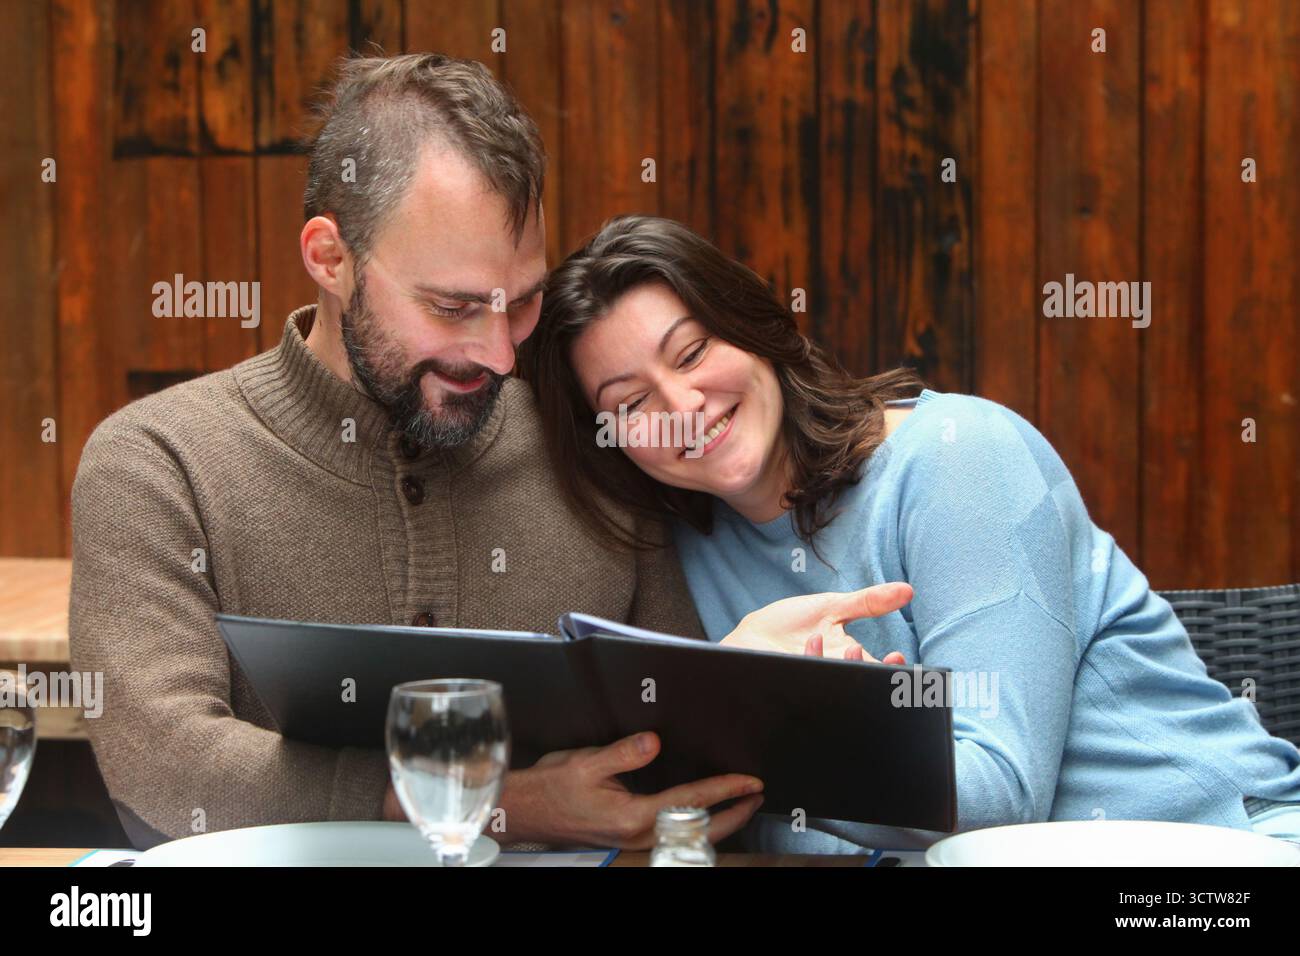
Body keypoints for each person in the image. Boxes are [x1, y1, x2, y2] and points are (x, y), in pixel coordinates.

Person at [69, 54, 901, 851]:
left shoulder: (587, 440)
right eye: (454, 306)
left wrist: (745, 691)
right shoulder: (161, 462)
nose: (502, 355)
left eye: (523, 302)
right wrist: (500, 804)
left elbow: (678, 762)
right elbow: (164, 761)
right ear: (330, 258)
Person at [517, 213, 1300, 851]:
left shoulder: (961, 458)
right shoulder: (680, 553)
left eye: (691, 353)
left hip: (1217, 850)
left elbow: (1000, 796)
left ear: (750, 327)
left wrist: (764, 715)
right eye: (631, 403)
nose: (682, 407)